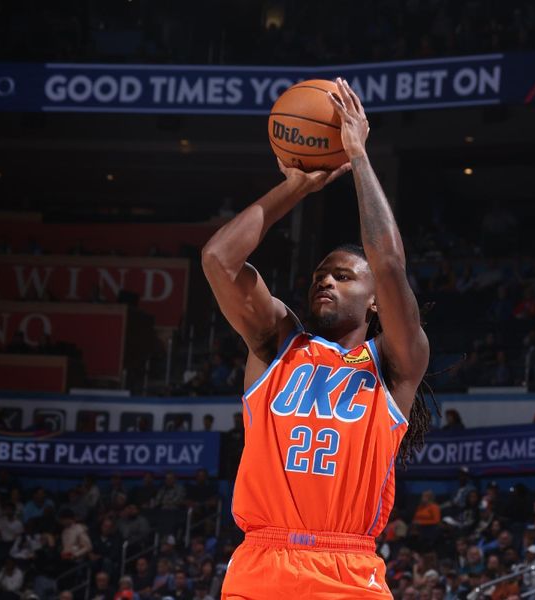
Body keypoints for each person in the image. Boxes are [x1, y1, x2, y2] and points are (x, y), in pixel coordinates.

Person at [202, 78, 431, 599]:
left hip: (347, 569)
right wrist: (298, 186)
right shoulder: (276, 342)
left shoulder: (395, 363)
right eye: (319, 275)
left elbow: (390, 263)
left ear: (375, 300)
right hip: (262, 563)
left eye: (344, 276)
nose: (325, 280)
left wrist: (358, 156)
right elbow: (218, 259)